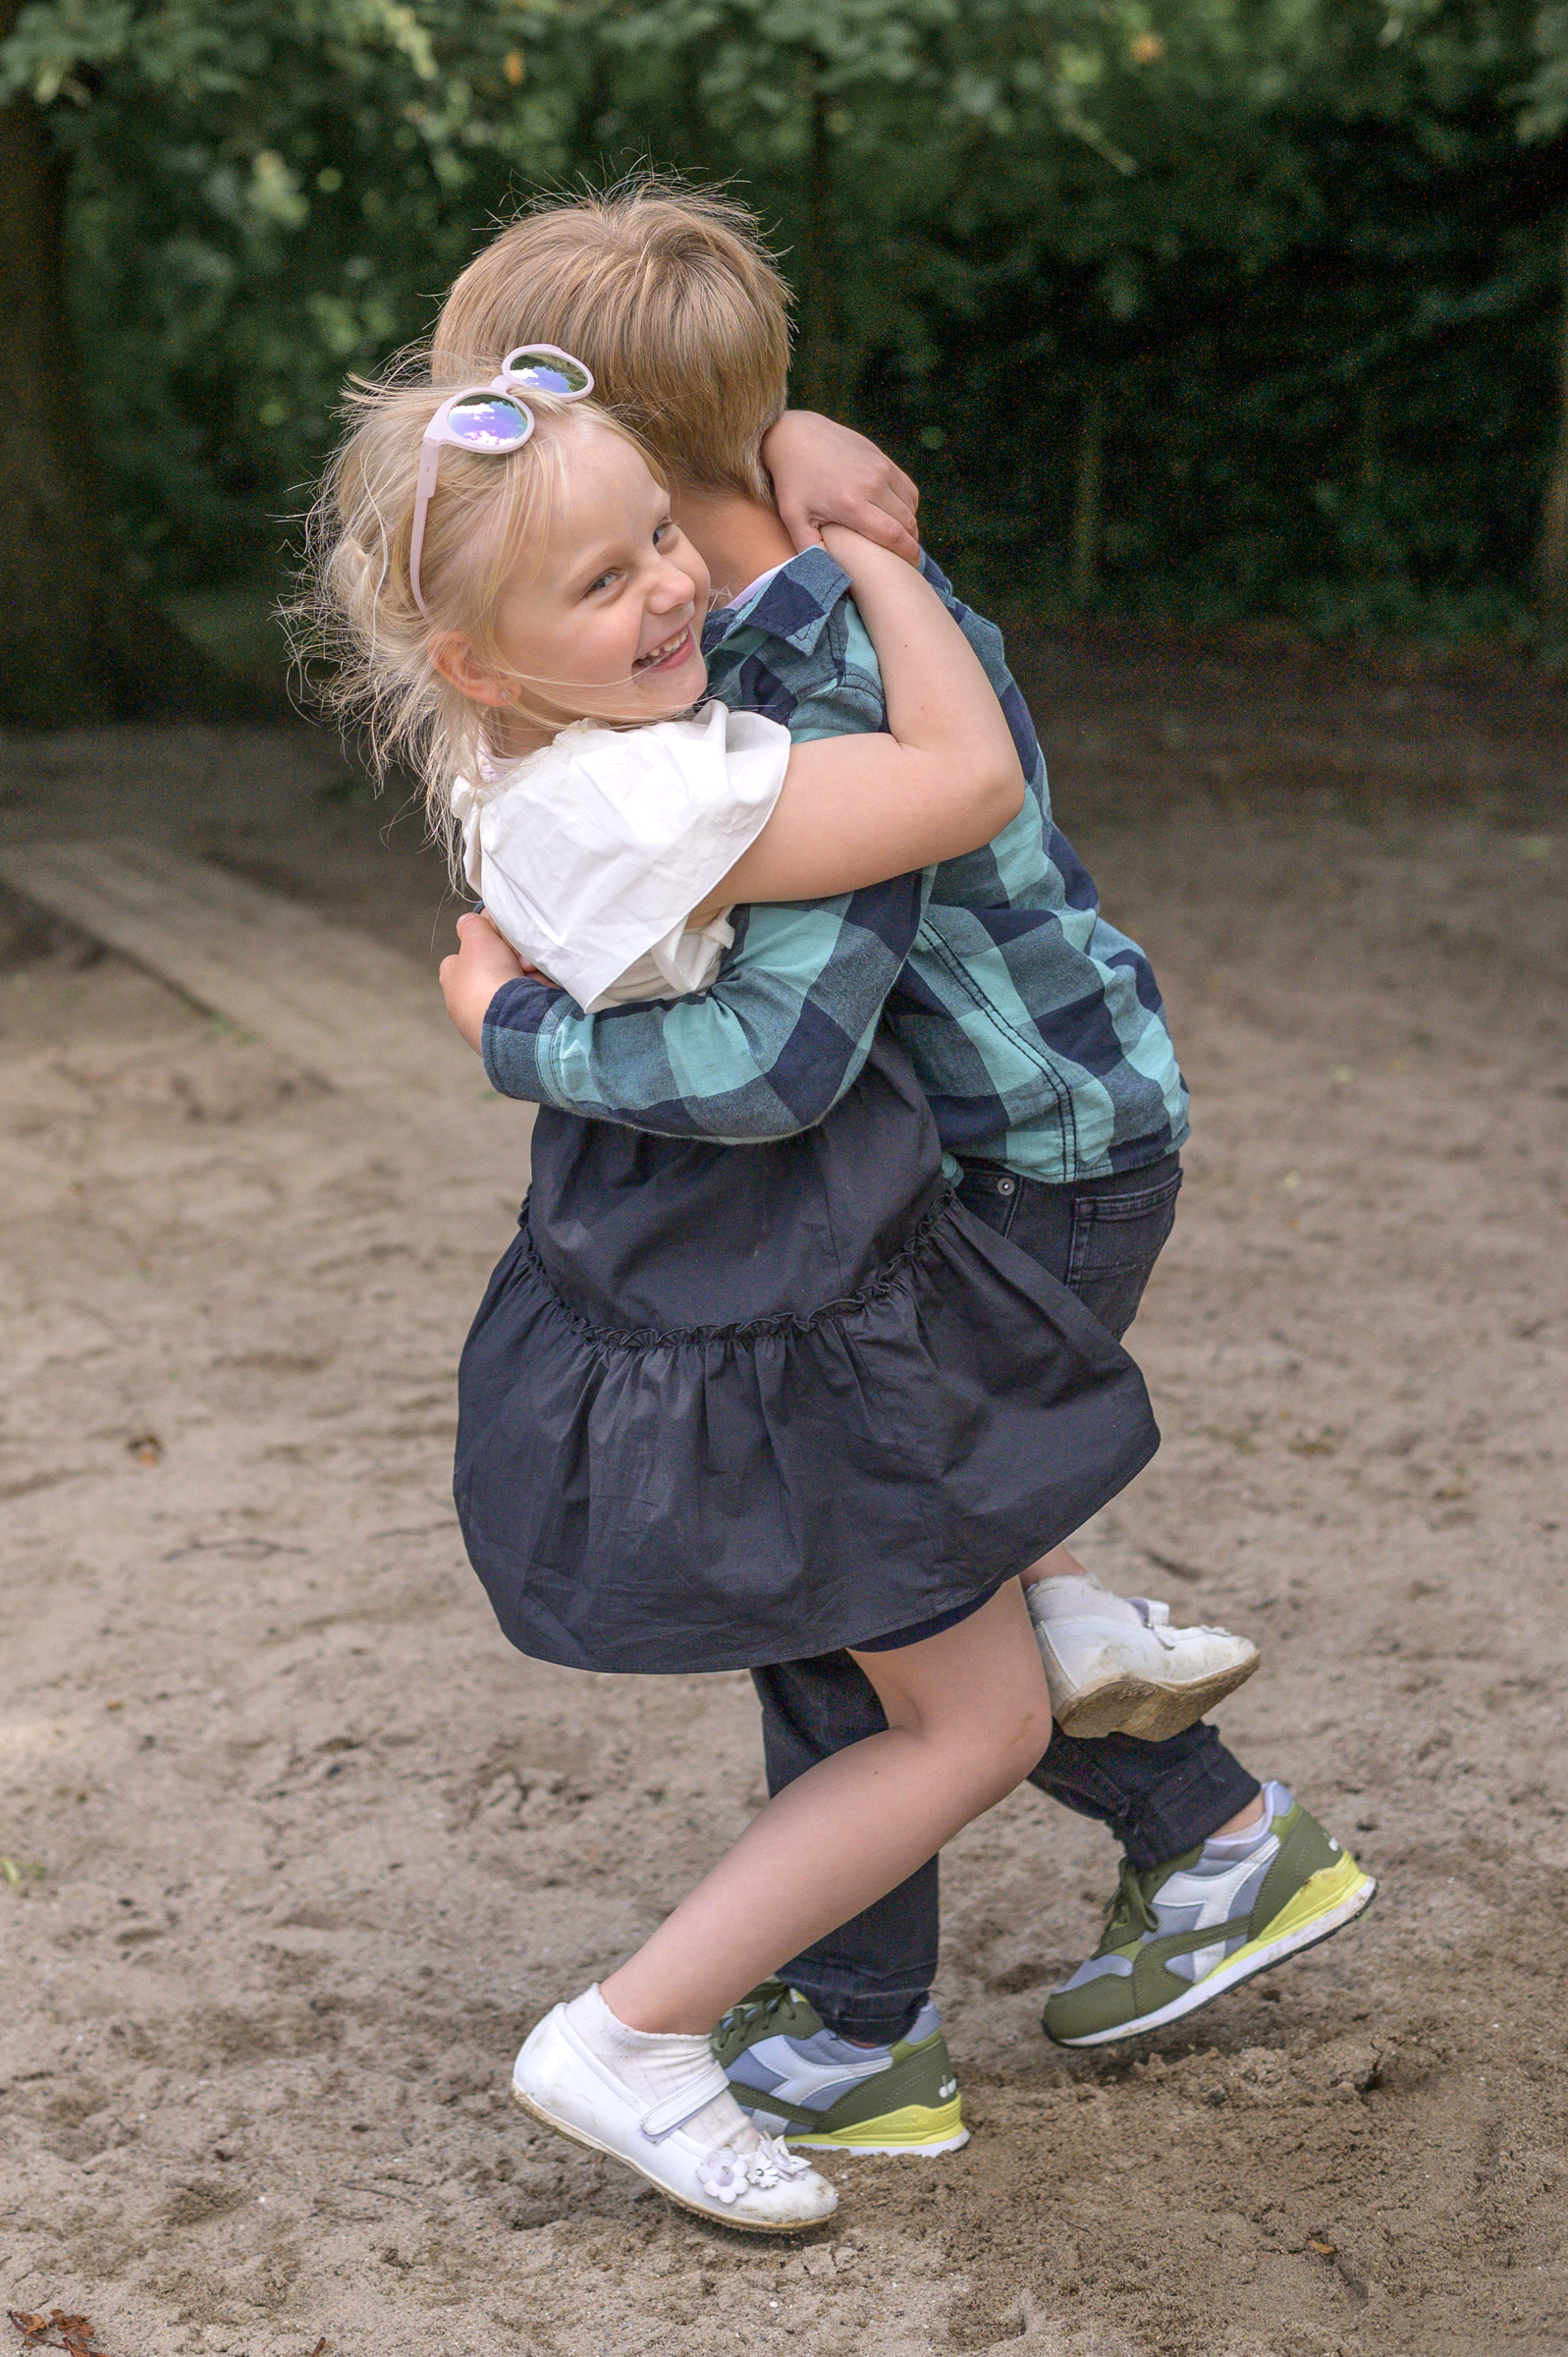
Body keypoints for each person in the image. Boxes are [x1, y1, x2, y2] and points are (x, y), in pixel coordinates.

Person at [425, 179, 1378, 2147]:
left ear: (630, 472)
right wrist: (786, 438)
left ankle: (885, 2015)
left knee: (843, 1559)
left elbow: (777, 1056)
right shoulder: (792, 559)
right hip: (1027, 1126)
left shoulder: (783, 698)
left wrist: (521, 1032)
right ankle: (1147, 1818)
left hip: (1016, 1165)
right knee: (872, 1555)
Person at [300, 356, 1171, 2228]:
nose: (671, 590)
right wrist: (865, 558)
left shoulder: (518, 739)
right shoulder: (657, 806)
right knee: (971, 1727)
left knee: (938, 1650)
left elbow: (609, 440)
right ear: (479, 655)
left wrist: (763, 446)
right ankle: (637, 2029)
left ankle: (1059, 1604)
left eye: (661, 543)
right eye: (604, 584)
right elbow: (964, 777)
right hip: (773, 1307)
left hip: (731, 1281)